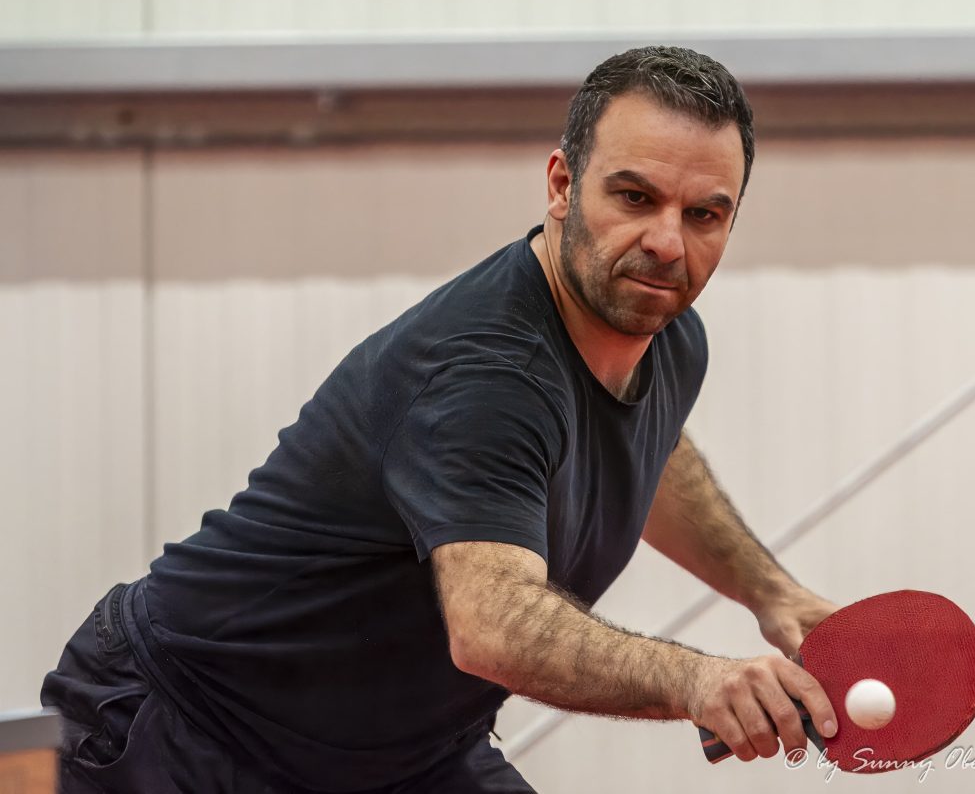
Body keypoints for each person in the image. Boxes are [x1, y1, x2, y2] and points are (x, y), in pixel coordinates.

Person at [41, 45, 838, 794]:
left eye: (704, 214)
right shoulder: (487, 374)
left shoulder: (667, 338)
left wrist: (773, 594)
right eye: (635, 197)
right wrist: (696, 679)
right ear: (562, 185)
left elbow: (646, 446)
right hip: (191, 728)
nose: (666, 241)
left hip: (399, 752)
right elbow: (494, 628)